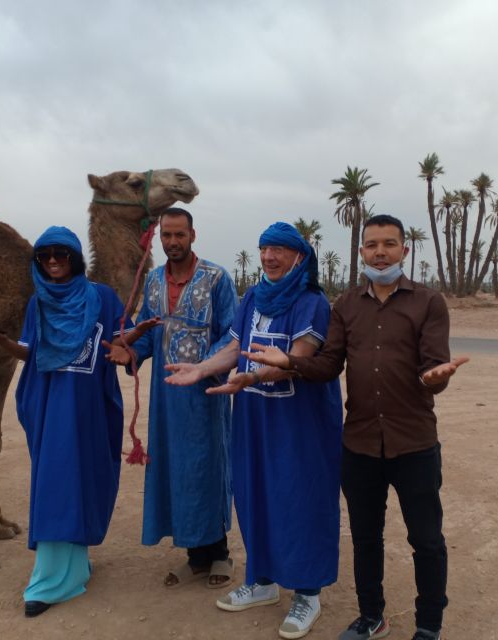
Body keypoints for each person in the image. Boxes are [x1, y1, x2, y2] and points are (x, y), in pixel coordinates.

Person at [244, 214, 469, 640]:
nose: (380, 252)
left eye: (389, 243)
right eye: (371, 244)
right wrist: (290, 362)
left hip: (414, 442)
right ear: (361, 251)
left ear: (405, 250)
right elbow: (329, 366)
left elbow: (430, 368)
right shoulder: (345, 305)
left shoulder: (429, 302)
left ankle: (429, 626)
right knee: (367, 538)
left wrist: (436, 378)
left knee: (426, 539)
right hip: (361, 443)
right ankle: (371, 616)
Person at [164, 222, 343, 640]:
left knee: (299, 499)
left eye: (279, 250)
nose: (269, 257)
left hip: (300, 427)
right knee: (254, 495)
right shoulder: (253, 299)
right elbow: (233, 347)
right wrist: (203, 368)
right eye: (264, 249)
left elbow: (298, 356)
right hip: (254, 420)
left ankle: (307, 593)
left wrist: (254, 377)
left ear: (300, 257)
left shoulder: (311, 303)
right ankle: (262, 581)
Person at [0, 226, 152, 618]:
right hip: (52, 408)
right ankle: (52, 579)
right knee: (55, 484)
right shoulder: (38, 304)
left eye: (61, 254)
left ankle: (74, 566)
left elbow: (118, 339)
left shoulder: (101, 297)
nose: (53, 261)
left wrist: (134, 335)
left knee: (81, 481)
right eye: (45, 256)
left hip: (88, 408)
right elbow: (33, 350)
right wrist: (5, 345)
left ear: (75, 258)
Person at [106, 207, 239, 589]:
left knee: (206, 467)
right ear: (159, 237)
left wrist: (205, 366)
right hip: (166, 399)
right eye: (167, 235)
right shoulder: (151, 281)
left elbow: (231, 333)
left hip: (205, 395)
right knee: (176, 470)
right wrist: (129, 352)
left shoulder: (217, 279)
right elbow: (147, 333)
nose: (173, 242)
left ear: (193, 235)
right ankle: (194, 557)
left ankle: (219, 554)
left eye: (180, 235)